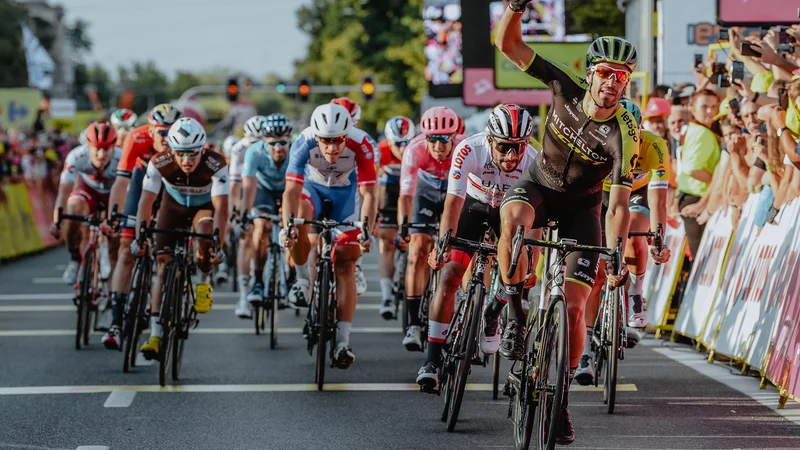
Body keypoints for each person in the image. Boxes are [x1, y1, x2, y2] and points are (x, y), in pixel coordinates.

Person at [494, 1, 639, 443]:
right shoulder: (564, 86)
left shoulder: (623, 135)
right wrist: (515, 8)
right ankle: (515, 312)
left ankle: (561, 398)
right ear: (590, 71)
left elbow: (617, 206)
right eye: (606, 73)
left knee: (575, 307)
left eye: (623, 76)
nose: (613, 83)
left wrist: (615, 254)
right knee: (515, 219)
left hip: (582, 209)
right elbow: (510, 45)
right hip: (539, 187)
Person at [416, 104, 538, 389]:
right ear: (490, 139)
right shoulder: (469, 150)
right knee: (450, 275)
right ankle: (432, 359)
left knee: (517, 266)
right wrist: (443, 244)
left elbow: (534, 224)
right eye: (505, 147)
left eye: (518, 147)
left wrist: (532, 261)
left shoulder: (534, 161)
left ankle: (494, 311)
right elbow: (453, 203)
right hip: (472, 205)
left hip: (509, 211)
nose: (512, 156)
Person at [576, 99, 673, 385]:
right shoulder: (595, 142)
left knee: (634, 235)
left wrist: (658, 238)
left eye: (634, 133)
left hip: (637, 195)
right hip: (601, 197)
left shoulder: (655, 146)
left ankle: (636, 293)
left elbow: (659, 201)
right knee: (594, 276)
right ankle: (585, 351)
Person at [281, 103, 376, 368]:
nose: (333, 148)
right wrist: (287, 226)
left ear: (348, 135)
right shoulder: (303, 142)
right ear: (316, 136)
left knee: (346, 260)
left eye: (338, 141)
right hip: (313, 191)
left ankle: (343, 342)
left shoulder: (362, 144)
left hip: (346, 196)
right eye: (326, 141)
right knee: (299, 221)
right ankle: (303, 281)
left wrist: (367, 229)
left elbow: (369, 194)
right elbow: (290, 190)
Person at [134, 117, 229, 360]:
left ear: (203, 149)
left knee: (206, 236)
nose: (187, 160)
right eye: (181, 154)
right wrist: (140, 235)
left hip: (203, 208)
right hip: (172, 207)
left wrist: (219, 244)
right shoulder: (160, 161)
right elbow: (146, 201)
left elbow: (222, 207)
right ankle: (155, 334)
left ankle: (204, 280)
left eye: (192, 154)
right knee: (163, 265)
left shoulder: (216, 163)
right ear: (171, 150)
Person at [101, 104, 182, 349]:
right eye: (162, 133)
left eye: (172, 133)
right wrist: (113, 214)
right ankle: (115, 321)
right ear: (151, 131)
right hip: (140, 183)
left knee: (164, 256)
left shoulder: (183, 140)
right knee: (126, 250)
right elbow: (121, 181)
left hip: (170, 186)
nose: (167, 139)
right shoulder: (136, 138)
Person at [396, 106, 464, 351]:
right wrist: (404, 228)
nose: (438, 145)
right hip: (426, 193)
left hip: (456, 194)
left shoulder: (463, 148)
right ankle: (413, 324)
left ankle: (465, 311)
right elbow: (406, 196)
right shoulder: (414, 150)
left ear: (454, 136)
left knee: (459, 251)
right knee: (417, 250)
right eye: (432, 139)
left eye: (444, 139)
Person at [234, 113, 293, 318]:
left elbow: (301, 188)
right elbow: (248, 187)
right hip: (264, 190)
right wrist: (244, 214)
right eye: (273, 143)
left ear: (290, 140)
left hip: (289, 189)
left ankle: (292, 276)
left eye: (283, 142)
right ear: (264, 141)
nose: (278, 148)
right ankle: (258, 281)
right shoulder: (254, 152)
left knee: (292, 228)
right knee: (261, 226)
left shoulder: (297, 152)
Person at [51, 122, 122, 286]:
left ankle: (115, 291)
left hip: (114, 192)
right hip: (88, 190)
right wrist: (57, 221)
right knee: (74, 209)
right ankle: (75, 259)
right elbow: (64, 191)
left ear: (113, 147)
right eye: (96, 148)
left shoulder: (122, 157)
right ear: (87, 146)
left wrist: (115, 219)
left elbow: (125, 193)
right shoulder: (76, 156)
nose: (101, 154)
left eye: (106, 149)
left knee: (116, 236)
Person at [331, 97, 378, 296]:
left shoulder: (365, 141)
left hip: (352, 188)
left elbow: (373, 185)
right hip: (324, 185)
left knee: (359, 219)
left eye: (351, 122)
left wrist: (372, 220)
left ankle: (356, 265)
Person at [376, 116, 416, 319]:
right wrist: (375, 216)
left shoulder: (417, 149)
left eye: (406, 143)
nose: (403, 149)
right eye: (398, 144)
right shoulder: (380, 151)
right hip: (389, 194)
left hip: (411, 193)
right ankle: (386, 296)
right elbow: (373, 189)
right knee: (387, 242)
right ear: (389, 141)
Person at [221, 115, 268, 284]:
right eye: (252, 141)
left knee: (266, 227)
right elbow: (234, 185)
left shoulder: (273, 146)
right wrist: (235, 210)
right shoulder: (239, 149)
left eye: (259, 141)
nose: (255, 146)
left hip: (265, 187)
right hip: (245, 186)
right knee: (246, 235)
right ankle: (243, 292)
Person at [677, 89, 721, 258]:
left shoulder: (697, 130)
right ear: (692, 108)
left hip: (693, 197)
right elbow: (693, 169)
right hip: (696, 200)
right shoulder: (702, 132)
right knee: (701, 259)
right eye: (704, 106)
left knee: (701, 258)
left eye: (713, 106)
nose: (710, 111)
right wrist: (717, 183)